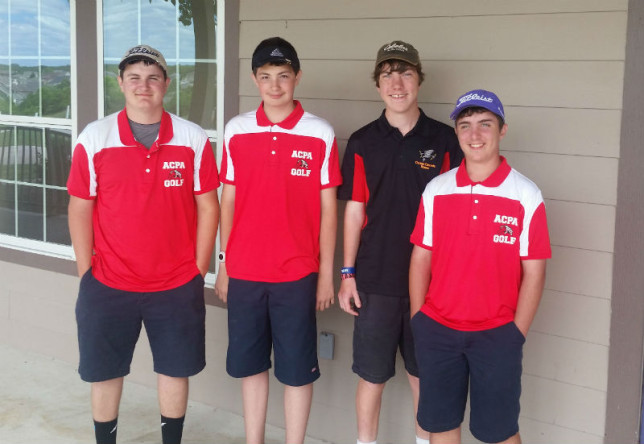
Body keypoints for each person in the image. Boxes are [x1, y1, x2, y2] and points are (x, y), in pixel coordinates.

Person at [67, 44, 220, 444]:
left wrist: (197, 270)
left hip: (175, 284)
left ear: (165, 84)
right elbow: (80, 208)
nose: (143, 85)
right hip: (108, 283)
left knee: (174, 369)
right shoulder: (95, 137)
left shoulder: (191, 138)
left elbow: (209, 207)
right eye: (134, 77)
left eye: (153, 77)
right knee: (104, 371)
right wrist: (87, 273)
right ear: (120, 83)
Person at [214, 36, 341, 444]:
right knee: (251, 366)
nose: (275, 85)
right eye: (266, 77)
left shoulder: (319, 133)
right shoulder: (236, 130)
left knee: (295, 368)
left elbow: (328, 210)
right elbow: (227, 202)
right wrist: (224, 264)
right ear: (255, 79)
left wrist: (325, 275)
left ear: (297, 77)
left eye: (283, 76)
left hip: (297, 273)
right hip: (245, 271)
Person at [336, 40, 462, 444]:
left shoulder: (446, 140)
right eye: (388, 73)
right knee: (371, 377)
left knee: (423, 378)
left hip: (432, 284)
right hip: (373, 281)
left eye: (405, 72)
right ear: (377, 84)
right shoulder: (361, 141)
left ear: (419, 80)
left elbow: (458, 213)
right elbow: (354, 211)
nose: (397, 82)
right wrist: (347, 273)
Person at [409, 89, 551, 444]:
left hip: (497, 334)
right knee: (441, 426)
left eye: (485, 124)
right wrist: (419, 318)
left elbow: (534, 271)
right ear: (456, 132)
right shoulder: (437, 190)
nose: (475, 135)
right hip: (438, 331)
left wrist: (516, 333)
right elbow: (420, 257)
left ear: (502, 130)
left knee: (499, 432)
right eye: (466, 125)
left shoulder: (525, 194)